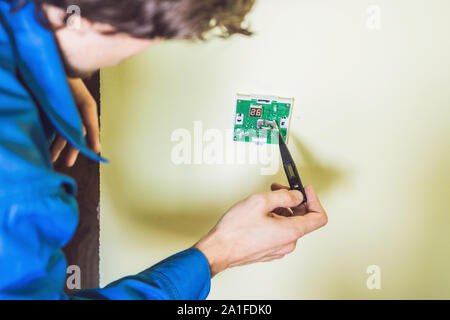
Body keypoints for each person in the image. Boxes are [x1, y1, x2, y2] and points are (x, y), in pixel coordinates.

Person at [0, 0, 327, 300]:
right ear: (83, 20)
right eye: (151, 34)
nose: (136, 53)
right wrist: (219, 252)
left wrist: (46, 66)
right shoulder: (18, 185)